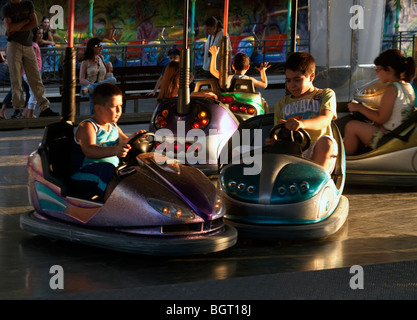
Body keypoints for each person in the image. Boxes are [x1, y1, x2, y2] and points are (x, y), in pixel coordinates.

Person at [265, 51, 338, 173]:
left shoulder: (325, 94)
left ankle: (312, 180)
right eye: (288, 81)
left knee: (327, 143)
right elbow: (277, 131)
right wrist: (274, 140)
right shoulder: (282, 103)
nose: (292, 85)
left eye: (297, 80)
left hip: (317, 149)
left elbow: (325, 120)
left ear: (311, 77)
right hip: (292, 151)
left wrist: (302, 124)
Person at [71, 83, 141, 201]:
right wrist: (115, 150)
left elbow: (125, 140)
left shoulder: (113, 126)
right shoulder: (88, 126)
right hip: (85, 172)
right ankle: (112, 209)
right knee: (109, 171)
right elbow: (89, 150)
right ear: (98, 109)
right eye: (114, 107)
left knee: (133, 170)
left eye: (121, 106)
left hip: (108, 170)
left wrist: (136, 137)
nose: (119, 111)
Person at [343, 49, 416, 155]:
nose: (376, 73)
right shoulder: (407, 86)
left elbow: (381, 118)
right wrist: (364, 108)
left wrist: (359, 108)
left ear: (389, 69)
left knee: (351, 126)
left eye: (378, 69)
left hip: (389, 139)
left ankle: (347, 163)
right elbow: (387, 113)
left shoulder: (392, 88)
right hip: (399, 135)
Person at [1, 0, 58, 118]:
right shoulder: (6, 7)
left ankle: (44, 107)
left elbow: (34, 23)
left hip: (27, 44)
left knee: (36, 77)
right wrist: (26, 21)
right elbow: (9, 27)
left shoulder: (28, 4)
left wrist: (15, 28)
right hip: (14, 44)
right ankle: (18, 109)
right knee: (16, 79)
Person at [79, 37, 117, 114]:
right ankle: (94, 118)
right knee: (94, 93)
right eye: (99, 46)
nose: (102, 48)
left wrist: (109, 70)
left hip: (97, 88)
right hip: (86, 88)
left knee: (113, 80)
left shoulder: (101, 59)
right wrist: (91, 84)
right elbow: (81, 79)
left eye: (101, 46)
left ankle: (91, 88)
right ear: (92, 48)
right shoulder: (86, 62)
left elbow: (107, 78)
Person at [22, 26, 43, 118]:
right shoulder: (33, 45)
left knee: (33, 93)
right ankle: (29, 114)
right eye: (39, 33)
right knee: (34, 93)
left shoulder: (33, 44)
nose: (41, 35)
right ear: (34, 35)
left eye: (42, 33)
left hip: (30, 73)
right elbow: (32, 61)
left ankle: (27, 113)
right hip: (31, 73)